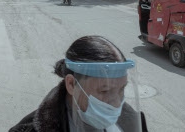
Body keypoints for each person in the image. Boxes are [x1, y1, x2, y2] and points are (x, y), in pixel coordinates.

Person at [9, 35, 148, 132]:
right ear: (71, 84)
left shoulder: (133, 123)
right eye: (104, 91)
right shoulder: (30, 129)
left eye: (121, 90)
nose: (117, 103)